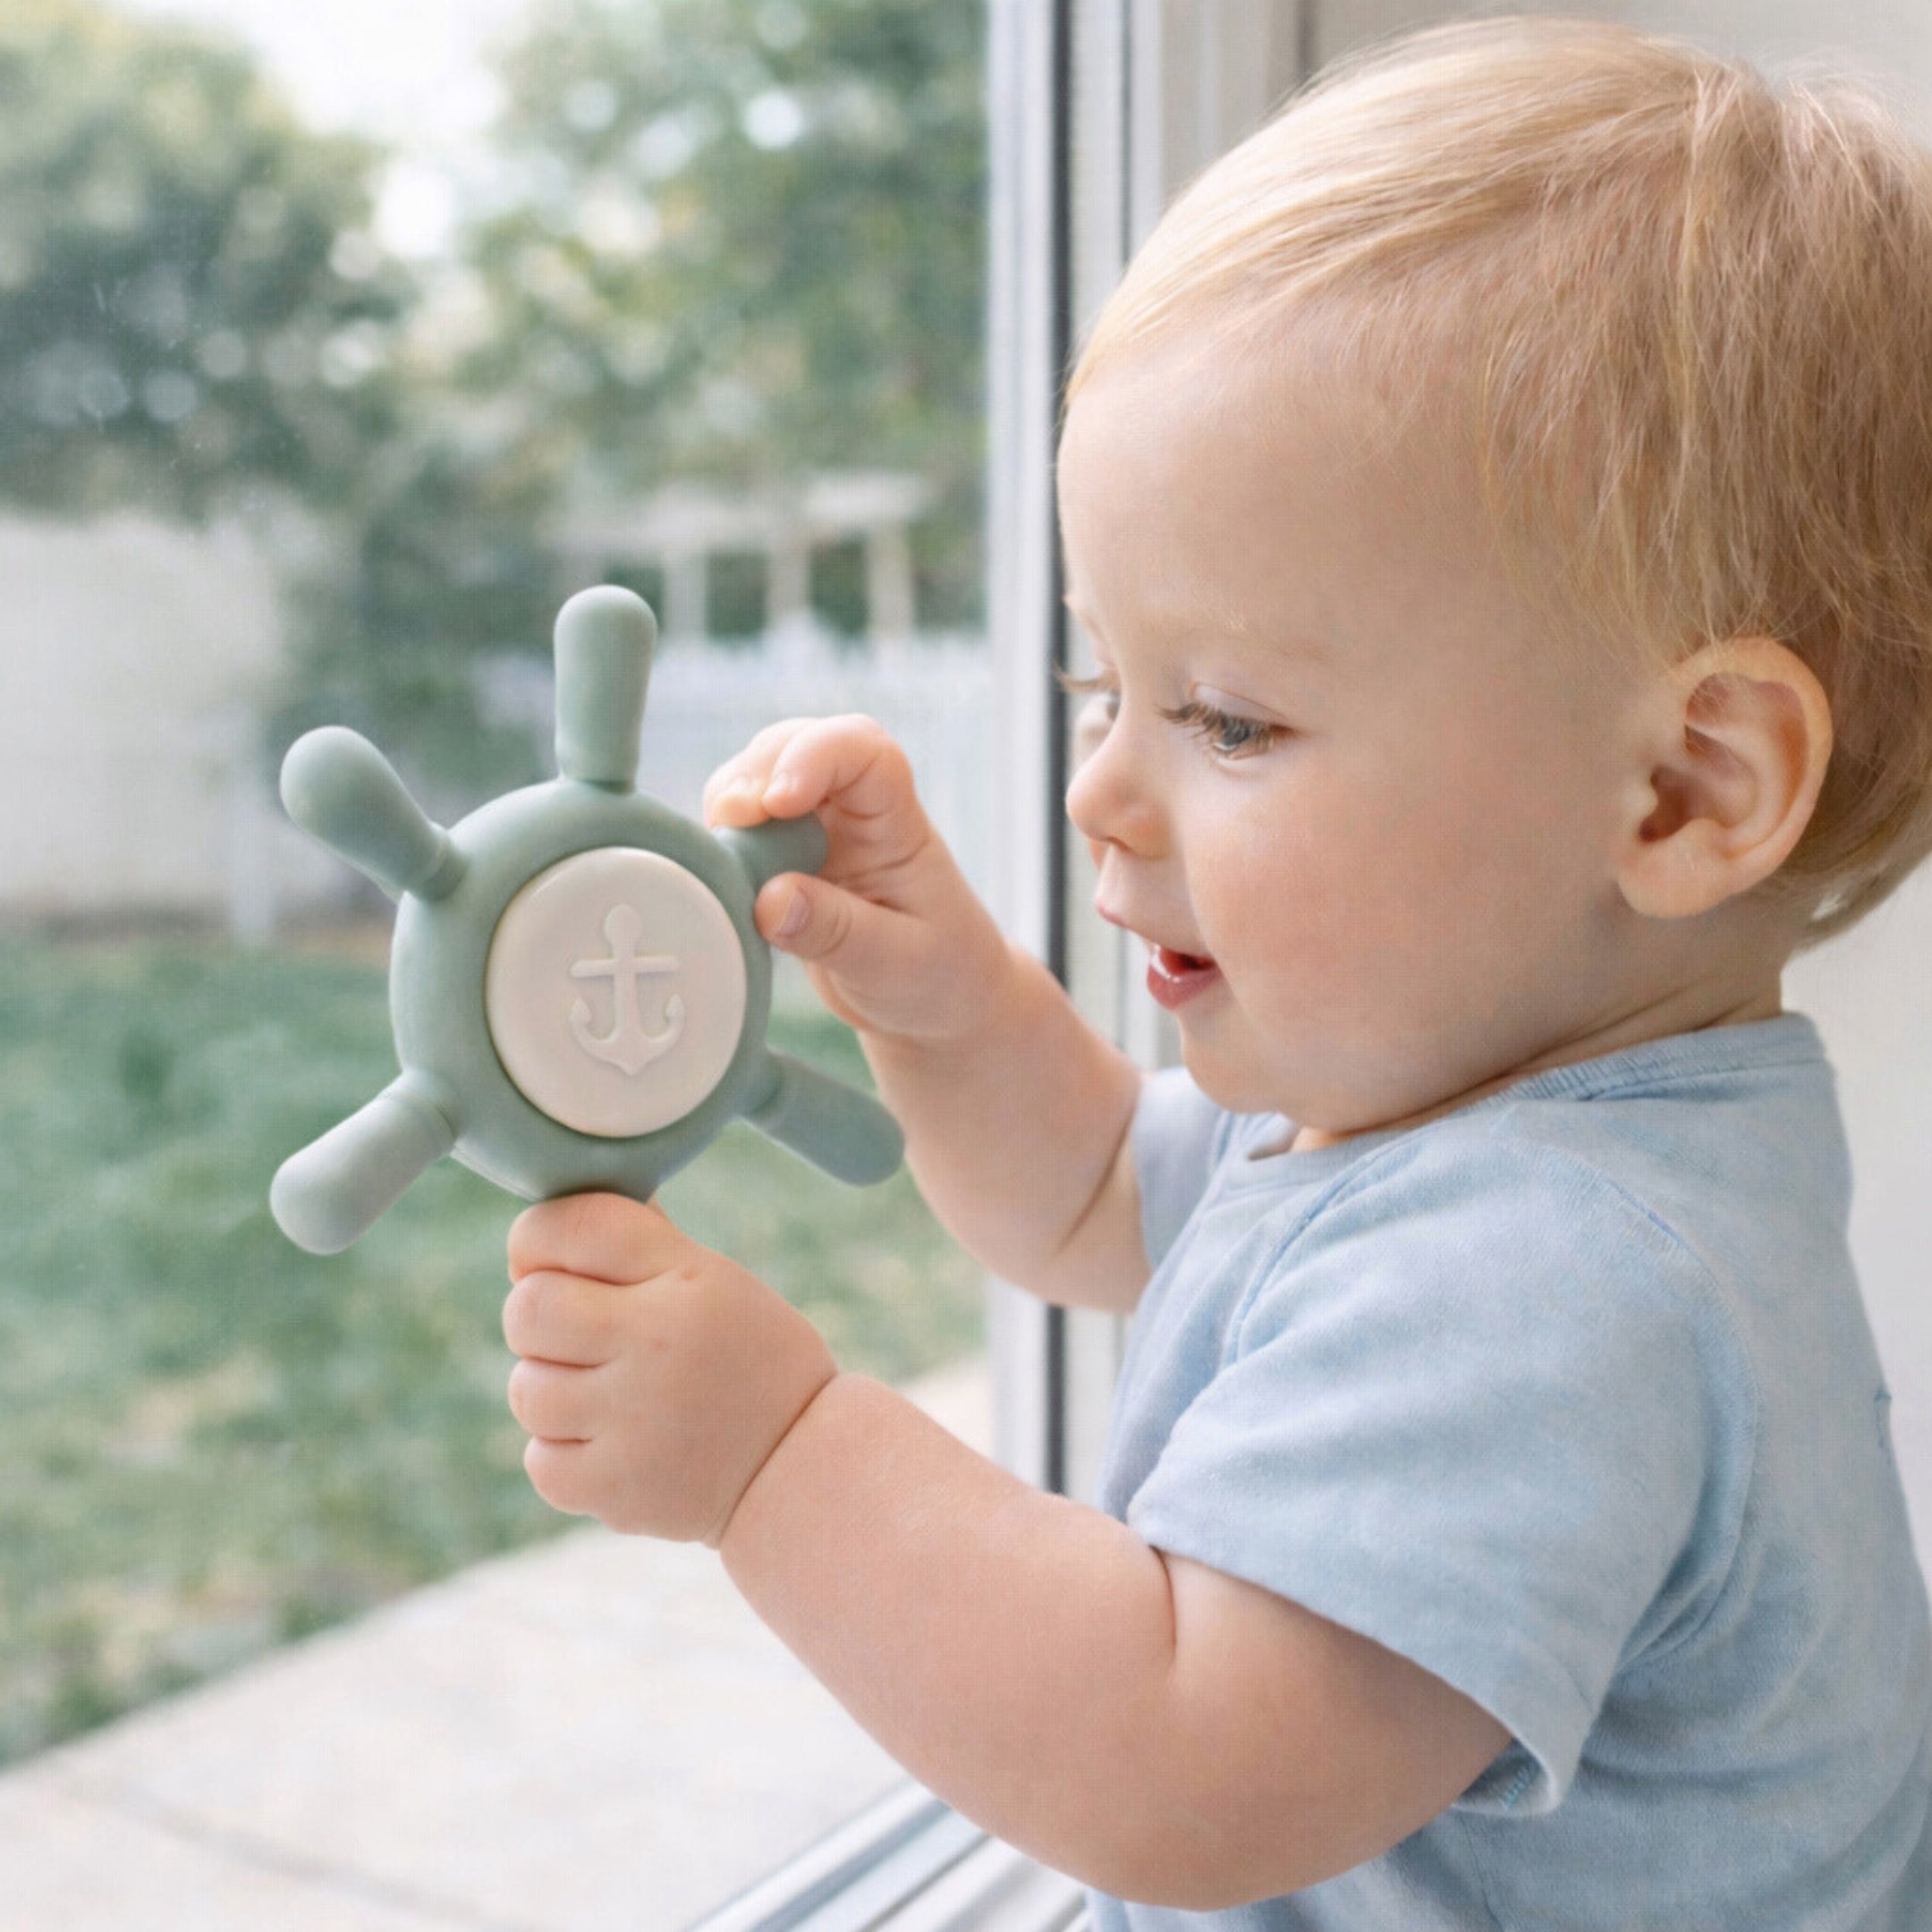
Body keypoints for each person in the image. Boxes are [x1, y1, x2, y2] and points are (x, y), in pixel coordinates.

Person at [498, 17, 1932, 1927]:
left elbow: (1182, 1767)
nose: (1103, 785)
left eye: (1228, 719)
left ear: (1681, 787)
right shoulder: (1473, 1120)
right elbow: (1100, 1194)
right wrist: (943, 1001)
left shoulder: (1555, 1276)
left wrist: (775, 1456)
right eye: (1107, 687)